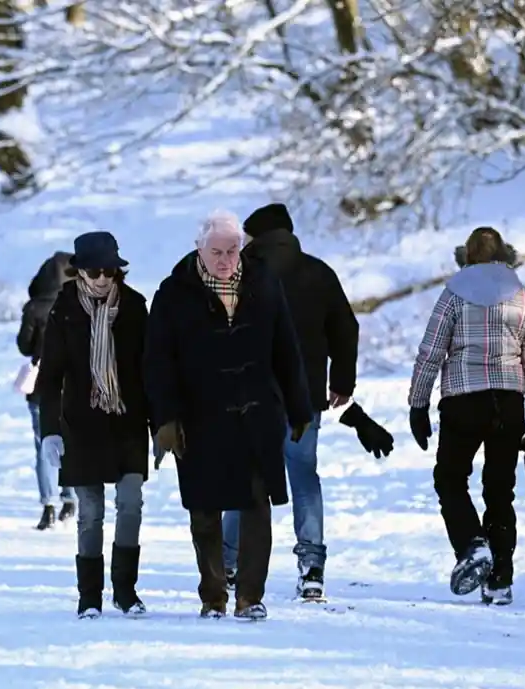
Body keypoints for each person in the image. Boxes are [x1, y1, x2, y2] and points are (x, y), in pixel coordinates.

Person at [144, 209, 313, 621]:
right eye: (216, 251)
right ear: (199, 249)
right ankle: (213, 594)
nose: (225, 259)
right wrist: (165, 419)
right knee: (204, 510)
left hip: (255, 413)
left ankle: (250, 597)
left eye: (232, 250)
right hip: (197, 416)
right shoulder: (174, 292)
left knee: (257, 505)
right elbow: (156, 361)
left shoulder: (263, 283)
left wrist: (298, 406)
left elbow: (285, 348)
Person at [407, 226, 525, 606]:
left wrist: (418, 404)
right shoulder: (524, 298)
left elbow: (431, 352)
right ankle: (500, 580)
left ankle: (473, 545)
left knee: (450, 479)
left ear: (467, 257)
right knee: (499, 491)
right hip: (508, 402)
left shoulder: (453, 295)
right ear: (505, 254)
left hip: (463, 402)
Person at [220, 202, 359, 602]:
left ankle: (229, 563)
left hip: (247, 395)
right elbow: (346, 327)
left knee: (243, 478)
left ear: (256, 236)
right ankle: (311, 567)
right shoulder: (317, 272)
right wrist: (342, 381)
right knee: (303, 476)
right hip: (305, 395)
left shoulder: (239, 272)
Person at [35, 231, 152, 618]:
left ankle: (125, 591)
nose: (102, 278)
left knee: (131, 503)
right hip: (81, 425)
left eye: (110, 271)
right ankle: (89, 597)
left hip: (127, 421)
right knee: (90, 511)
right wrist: (50, 430)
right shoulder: (64, 309)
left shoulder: (135, 307)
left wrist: (162, 423)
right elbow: (50, 376)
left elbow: (150, 371)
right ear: (80, 272)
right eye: (94, 271)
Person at [16, 251, 78, 530]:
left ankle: (48, 506)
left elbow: (24, 346)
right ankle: (71, 499)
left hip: (42, 389)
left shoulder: (34, 308)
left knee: (44, 446)